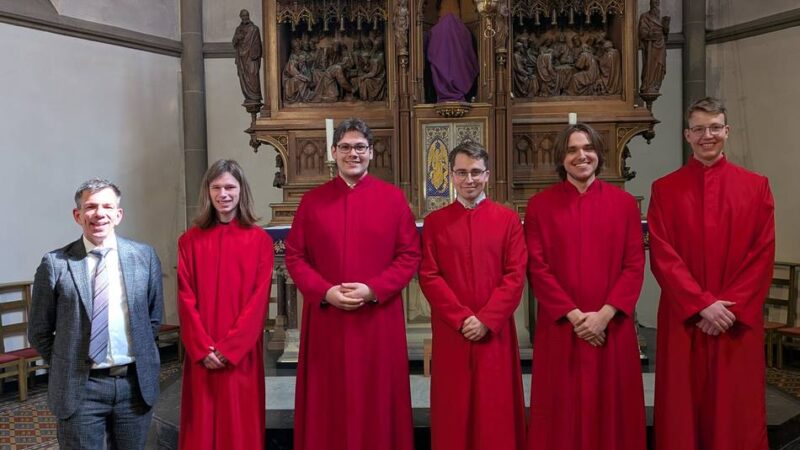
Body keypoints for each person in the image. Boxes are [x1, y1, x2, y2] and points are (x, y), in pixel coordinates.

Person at [286, 118, 421, 450]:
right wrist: (325, 292)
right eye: (345, 147)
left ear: (371, 153)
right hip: (327, 321)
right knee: (327, 401)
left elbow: (409, 255)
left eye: (360, 147)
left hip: (377, 321)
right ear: (333, 152)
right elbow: (295, 257)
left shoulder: (393, 199)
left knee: (377, 401)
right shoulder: (312, 201)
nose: (353, 154)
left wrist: (373, 289)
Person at [649, 97, 774, 450]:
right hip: (684, 319)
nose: (708, 135)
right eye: (699, 129)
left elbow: (762, 254)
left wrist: (727, 309)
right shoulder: (665, 188)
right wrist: (702, 305)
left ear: (727, 131)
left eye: (715, 127)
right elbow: (663, 254)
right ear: (687, 135)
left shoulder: (756, 186)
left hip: (736, 321)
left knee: (736, 414)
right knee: (682, 413)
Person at [525, 124, 646, 450]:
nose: (582, 156)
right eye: (572, 150)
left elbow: (634, 266)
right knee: (561, 412)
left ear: (599, 154)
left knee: (612, 411)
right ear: (561, 158)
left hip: (612, 328)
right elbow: (538, 268)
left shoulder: (623, 205)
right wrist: (576, 317)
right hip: (563, 328)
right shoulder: (540, 206)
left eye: (588, 148)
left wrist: (604, 316)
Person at [29, 179, 163, 450]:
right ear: (78, 215)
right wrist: (67, 363)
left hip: (133, 387)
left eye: (107, 206)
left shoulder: (144, 256)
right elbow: (39, 331)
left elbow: (153, 318)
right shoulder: (56, 264)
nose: (99, 213)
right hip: (80, 389)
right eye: (90, 206)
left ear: (118, 214)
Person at [419, 142, 527, 450]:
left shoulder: (507, 220)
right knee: (454, 407)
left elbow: (515, 275)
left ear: (488, 175)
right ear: (451, 176)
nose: (470, 180)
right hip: (454, 332)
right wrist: (462, 317)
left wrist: (487, 319)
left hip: (494, 332)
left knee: (496, 409)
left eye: (476, 172)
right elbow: (429, 274)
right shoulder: (435, 223)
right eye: (462, 172)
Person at [176, 160, 273, 450]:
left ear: (242, 191)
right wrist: (202, 348)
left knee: (239, 429)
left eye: (230, 187)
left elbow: (258, 302)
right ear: (208, 192)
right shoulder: (189, 241)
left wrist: (230, 349)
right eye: (216, 187)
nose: (223, 194)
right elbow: (185, 297)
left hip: (240, 356)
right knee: (201, 428)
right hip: (202, 354)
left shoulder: (259, 241)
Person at [232, 9, 263, 105]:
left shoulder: (254, 29)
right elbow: (234, 43)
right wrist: (237, 38)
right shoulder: (238, 29)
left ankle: (255, 97)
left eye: (246, 15)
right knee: (244, 78)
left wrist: (254, 53)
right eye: (243, 16)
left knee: (253, 77)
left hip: (251, 58)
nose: (245, 17)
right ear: (240, 17)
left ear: (248, 16)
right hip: (242, 59)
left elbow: (258, 45)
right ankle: (248, 97)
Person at [638, 0, 669, 93]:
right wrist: (649, 33)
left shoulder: (660, 16)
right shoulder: (645, 16)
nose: (656, 4)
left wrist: (666, 28)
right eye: (654, 2)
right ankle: (648, 84)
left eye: (657, 2)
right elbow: (642, 32)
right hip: (651, 46)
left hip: (661, 44)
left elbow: (665, 33)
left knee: (659, 66)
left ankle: (656, 84)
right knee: (650, 66)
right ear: (650, 3)